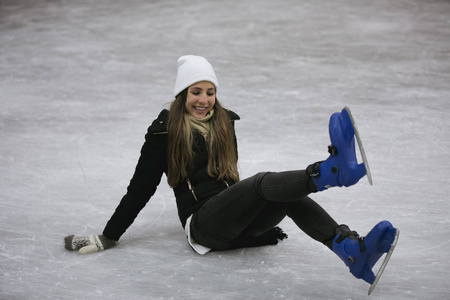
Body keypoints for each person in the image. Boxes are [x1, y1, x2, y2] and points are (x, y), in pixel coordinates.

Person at [65, 55, 398, 288]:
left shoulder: (224, 122)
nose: (204, 100)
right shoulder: (163, 133)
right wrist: (109, 235)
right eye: (196, 92)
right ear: (182, 95)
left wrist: (252, 204)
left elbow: (232, 181)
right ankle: (329, 173)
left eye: (210, 92)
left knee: (282, 193)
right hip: (203, 228)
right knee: (261, 183)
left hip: (234, 223)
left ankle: (350, 250)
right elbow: (140, 189)